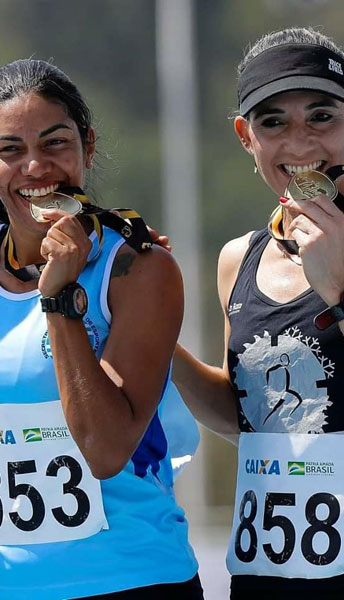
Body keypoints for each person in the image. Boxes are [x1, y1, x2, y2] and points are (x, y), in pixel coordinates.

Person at [0, 59, 202, 600]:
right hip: (0, 589)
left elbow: (103, 449)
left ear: (88, 147)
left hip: (134, 581)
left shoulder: (139, 270)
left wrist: (58, 299)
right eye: (9, 150)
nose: (35, 166)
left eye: (55, 143)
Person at [172, 27, 344, 599]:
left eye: (322, 116)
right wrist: (153, 346)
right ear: (247, 137)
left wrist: (339, 290)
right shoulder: (237, 259)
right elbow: (248, 418)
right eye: (273, 122)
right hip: (268, 574)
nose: (300, 144)